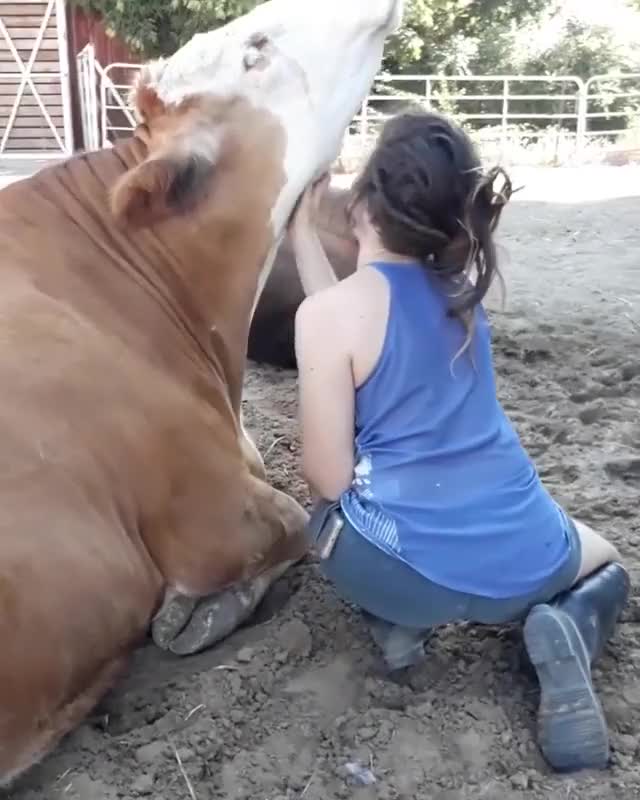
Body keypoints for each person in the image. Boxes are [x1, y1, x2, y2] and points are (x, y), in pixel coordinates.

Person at [287, 110, 629, 774]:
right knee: (607, 559)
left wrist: (300, 221)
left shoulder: (328, 318)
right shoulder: (460, 296)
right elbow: (361, 316)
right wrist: (302, 237)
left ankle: (401, 624)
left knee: (326, 514)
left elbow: (326, 476)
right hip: (518, 568)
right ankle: (568, 627)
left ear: (361, 203)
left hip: (392, 570)